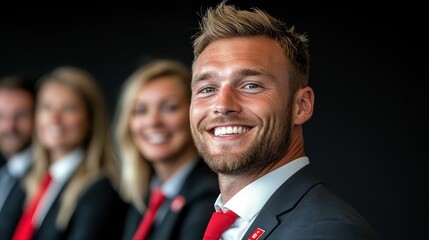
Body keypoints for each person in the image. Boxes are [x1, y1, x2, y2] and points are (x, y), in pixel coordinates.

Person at [189, 1, 379, 239]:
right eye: (207, 89)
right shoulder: (230, 222)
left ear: (302, 105)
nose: (223, 105)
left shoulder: (328, 232)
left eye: (251, 85)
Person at [11, 66, 128, 240]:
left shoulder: (99, 190)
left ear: (90, 119)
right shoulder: (32, 182)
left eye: (69, 108)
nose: (54, 119)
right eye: (47, 107)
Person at [114, 59, 219, 240]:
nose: (153, 121)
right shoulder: (143, 194)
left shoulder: (209, 194)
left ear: (193, 113)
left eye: (169, 108)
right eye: (141, 110)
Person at [0, 75, 36, 239]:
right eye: (1, 116)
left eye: (20, 115)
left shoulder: (44, 179)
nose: (9, 126)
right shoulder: (5, 174)